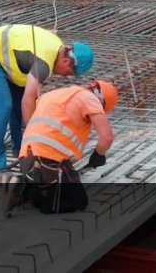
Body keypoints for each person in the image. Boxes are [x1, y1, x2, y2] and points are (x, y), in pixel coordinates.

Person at [0, 25, 95, 176]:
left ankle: (21, 150)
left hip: (7, 60)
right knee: (2, 107)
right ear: (67, 62)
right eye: (68, 73)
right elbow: (28, 100)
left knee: (17, 107)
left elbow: (28, 100)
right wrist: (34, 135)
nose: (65, 77)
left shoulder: (56, 50)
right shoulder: (44, 63)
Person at [9, 80, 118, 214]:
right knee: (78, 200)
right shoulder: (90, 99)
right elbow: (107, 138)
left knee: (57, 184)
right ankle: (27, 194)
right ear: (102, 102)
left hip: (26, 159)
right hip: (49, 160)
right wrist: (98, 155)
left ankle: (29, 186)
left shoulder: (57, 94)